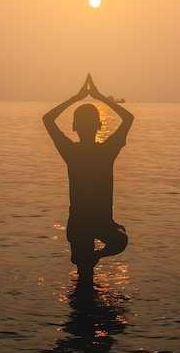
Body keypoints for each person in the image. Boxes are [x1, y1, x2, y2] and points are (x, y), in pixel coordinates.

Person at [43, 74, 134, 283]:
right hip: (86, 223)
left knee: (85, 276)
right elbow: (128, 119)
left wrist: (76, 98)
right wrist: (100, 97)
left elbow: (47, 119)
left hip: (86, 223)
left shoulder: (72, 151)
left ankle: (92, 263)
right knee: (120, 238)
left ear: (75, 127)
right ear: (99, 127)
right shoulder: (106, 151)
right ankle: (94, 260)